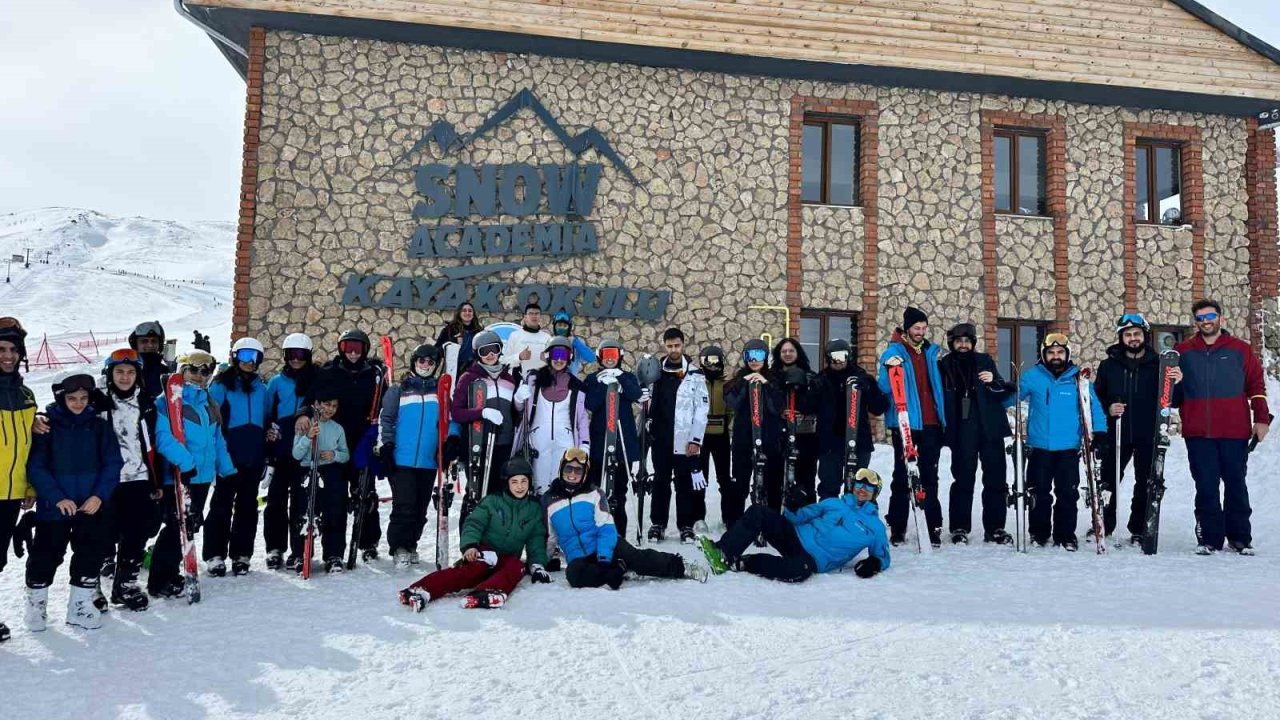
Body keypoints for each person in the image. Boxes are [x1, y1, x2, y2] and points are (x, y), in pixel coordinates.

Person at [24, 374, 123, 631]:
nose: (78, 403)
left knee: (90, 553)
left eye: (83, 398)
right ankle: (36, 607)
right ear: (61, 398)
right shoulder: (47, 427)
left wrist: (99, 496)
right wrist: (56, 497)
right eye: (72, 398)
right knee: (46, 554)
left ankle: (79, 606)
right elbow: (36, 467)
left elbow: (112, 463)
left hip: (90, 506)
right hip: (54, 508)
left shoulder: (99, 426)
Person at [1173, 299, 1268, 556]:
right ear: (1196, 323)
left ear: (1220, 318)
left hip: (1234, 430)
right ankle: (1210, 539)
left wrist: (1261, 419)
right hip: (1198, 432)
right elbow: (1171, 399)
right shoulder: (1182, 351)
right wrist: (1177, 383)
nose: (1206, 321)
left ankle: (1240, 538)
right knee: (1206, 485)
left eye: (1210, 316)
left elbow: (1256, 386)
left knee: (1236, 483)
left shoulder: (1240, 350)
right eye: (1201, 318)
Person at [544, 448, 708, 589]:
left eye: (578, 470)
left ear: (585, 472)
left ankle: (680, 566)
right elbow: (551, 537)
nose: (572, 474)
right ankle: (618, 571)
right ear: (561, 470)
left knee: (639, 559)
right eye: (568, 469)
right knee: (573, 574)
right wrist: (542, 561)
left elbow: (606, 529)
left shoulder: (594, 494)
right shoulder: (550, 500)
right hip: (580, 559)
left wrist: (603, 558)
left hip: (608, 545)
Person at [399, 457, 549, 610]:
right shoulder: (492, 502)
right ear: (507, 483)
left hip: (508, 557)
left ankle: (487, 592)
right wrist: (470, 545)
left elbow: (535, 538)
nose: (520, 486)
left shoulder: (533, 508)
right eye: (514, 482)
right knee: (473, 571)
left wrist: (537, 565)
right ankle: (422, 589)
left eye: (524, 481)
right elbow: (474, 523)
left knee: (517, 567)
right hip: (486, 552)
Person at [697, 468, 890, 582]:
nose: (862, 489)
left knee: (797, 572)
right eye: (859, 484)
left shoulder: (875, 527)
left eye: (868, 487)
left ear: (875, 492)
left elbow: (882, 556)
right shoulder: (834, 503)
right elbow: (798, 517)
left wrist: (874, 564)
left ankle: (745, 563)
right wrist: (793, 504)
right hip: (795, 537)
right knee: (759, 512)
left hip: (814, 560)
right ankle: (723, 552)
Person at [150, 351, 237, 598]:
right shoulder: (166, 401)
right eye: (194, 370)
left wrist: (227, 470)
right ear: (182, 370)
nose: (200, 376)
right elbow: (163, 437)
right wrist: (185, 463)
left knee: (191, 525)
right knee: (177, 526)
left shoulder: (207, 403)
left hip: (201, 478)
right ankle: (159, 580)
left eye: (205, 371)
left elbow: (216, 440)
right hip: (179, 476)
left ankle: (172, 570)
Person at [299, 329, 387, 561]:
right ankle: (334, 551)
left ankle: (368, 542)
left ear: (365, 350)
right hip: (335, 443)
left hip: (362, 442)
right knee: (334, 499)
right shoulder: (329, 372)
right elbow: (310, 399)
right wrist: (303, 414)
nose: (354, 353)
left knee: (366, 494)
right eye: (348, 347)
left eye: (358, 348)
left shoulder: (374, 374)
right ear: (340, 348)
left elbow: (385, 404)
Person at [1018, 334, 1107, 551]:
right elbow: (1012, 397)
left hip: (1068, 447)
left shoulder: (1079, 379)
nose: (1055, 356)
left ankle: (1065, 535)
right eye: (1051, 353)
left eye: (1060, 353)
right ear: (1044, 355)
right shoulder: (1032, 376)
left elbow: (1093, 407)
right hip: (1039, 446)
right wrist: (997, 389)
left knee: (1067, 492)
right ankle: (1039, 533)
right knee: (1039, 492)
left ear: (1067, 355)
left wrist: (1100, 432)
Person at [378, 343, 460, 568]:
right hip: (402, 458)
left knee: (421, 506)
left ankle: (411, 543)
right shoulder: (399, 389)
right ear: (414, 362)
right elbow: (387, 420)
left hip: (428, 460)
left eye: (430, 362)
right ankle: (399, 546)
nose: (425, 365)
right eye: (421, 361)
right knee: (404, 504)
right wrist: (386, 445)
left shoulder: (441, 392)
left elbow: (451, 420)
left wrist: (452, 439)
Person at [95, 348, 161, 611]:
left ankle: (126, 584)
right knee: (101, 532)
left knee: (136, 532)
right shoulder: (96, 401)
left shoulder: (146, 403)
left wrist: (158, 481)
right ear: (110, 374)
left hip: (138, 477)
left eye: (130, 372)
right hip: (106, 479)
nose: (125, 377)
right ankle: (91, 586)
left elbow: (154, 442)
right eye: (119, 371)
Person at [938, 323, 1015, 545]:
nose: (963, 345)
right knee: (963, 479)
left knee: (996, 479)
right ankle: (959, 527)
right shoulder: (944, 365)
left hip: (989, 427)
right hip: (962, 429)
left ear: (973, 343)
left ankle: (995, 528)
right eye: (959, 341)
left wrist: (994, 382)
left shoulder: (984, 361)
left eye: (967, 341)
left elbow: (1002, 388)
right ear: (952, 343)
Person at [877, 307, 946, 547]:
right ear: (907, 328)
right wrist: (889, 368)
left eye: (924, 328)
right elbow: (884, 387)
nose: (921, 332)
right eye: (917, 328)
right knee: (902, 475)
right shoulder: (893, 352)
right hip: (905, 422)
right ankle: (897, 527)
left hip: (930, 422)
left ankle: (932, 526)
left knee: (930, 476)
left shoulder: (930, 352)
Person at [1093, 314, 1164, 545]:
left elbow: (1172, 398)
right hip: (1117, 431)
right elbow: (1096, 397)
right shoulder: (1108, 365)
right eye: (1128, 334)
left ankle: (1139, 527)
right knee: (1109, 479)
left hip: (1147, 431)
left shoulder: (1158, 364)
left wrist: (1178, 381)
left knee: (1145, 481)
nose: (1133, 338)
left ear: (1145, 335)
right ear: (1121, 337)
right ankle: (1105, 522)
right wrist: (1108, 407)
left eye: (1137, 334)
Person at [204, 337, 271, 576]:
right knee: (221, 504)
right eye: (244, 356)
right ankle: (215, 554)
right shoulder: (221, 385)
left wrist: (265, 452)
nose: (249, 362)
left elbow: (265, 421)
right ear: (234, 357)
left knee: (247, 506)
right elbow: (211, 423)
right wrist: (215, 458)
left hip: (253, 455)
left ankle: (242, 555)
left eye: (254, 358)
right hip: (228, 456)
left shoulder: (261, 388)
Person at [645, 327, 709, 543]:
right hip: (661, 438)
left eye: (677, 345)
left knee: (684, 483)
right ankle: (658, 523)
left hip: (684, 440)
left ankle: (686, 525)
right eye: (669, 345)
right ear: (664, 345)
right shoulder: (656, 372)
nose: (673, 349)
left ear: (683, 345)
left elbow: (701, 410)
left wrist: (695, 439)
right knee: (660, 482)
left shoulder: (695, 374)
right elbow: (647, 401)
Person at [450, 330, 520, 525]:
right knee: (476, 492)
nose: (490, 355)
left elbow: (515, 414)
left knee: (499, 494)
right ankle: (469, 543)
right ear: (477, 354)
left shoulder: (509, 379)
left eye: (494, 349)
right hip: (478, 444)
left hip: (503, 445)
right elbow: (456, 412)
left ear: (500, 351)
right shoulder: (469, 378)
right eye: (484, 351)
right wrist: (481, 412)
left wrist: (520, 402)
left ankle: (493, 542)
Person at [264, 332, 318, 572]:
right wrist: (269, 436)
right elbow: (268, 413)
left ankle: (299, 550)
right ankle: (275, 548)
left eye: (301, 355)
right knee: (275, 500)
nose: (296, 359)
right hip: (282, 450)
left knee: (301, 501)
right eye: (291, 355)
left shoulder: (316, 379)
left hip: (305, 451)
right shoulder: (276, 382)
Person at [0, 317, 38, 642]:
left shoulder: (26, 397)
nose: (7, 356)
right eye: (1, 349)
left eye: (13, 349)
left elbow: (27, 446)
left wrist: (28, 486)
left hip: (12, 493)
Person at [514, 336, 590, 493]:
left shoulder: (576, 385)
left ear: (569, 358)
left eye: (564, 355)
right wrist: (518, 398)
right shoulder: (533, 379)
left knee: (561, 481)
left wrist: (584, 443)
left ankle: (557, 513)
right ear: (548, 355)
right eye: (556, 354)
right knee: (538, 483)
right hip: (538, 438)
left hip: (565, 438)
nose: (559, 359)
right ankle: (538, 514)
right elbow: (520, 409)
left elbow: (582, 417)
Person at [582, 337, 641, 536]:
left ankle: (620, 535)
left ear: (620, 357)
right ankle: (598, 532)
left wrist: (620, 380)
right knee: (598, 490)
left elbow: (635, 394)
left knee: (619, 493)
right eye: (606, 355)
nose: (609, 359)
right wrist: (602, 386)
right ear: (599, 357)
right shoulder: (592, 379)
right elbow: (590, 404)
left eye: (613, 355)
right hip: (600, 442)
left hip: (622, 441)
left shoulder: (627, 376)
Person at [815, 339, 887, 501]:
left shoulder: (862, 378)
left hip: (858, 440)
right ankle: (830, 521)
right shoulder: (822, 380)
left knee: (857, 486)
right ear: (827, 358)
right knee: (829, 486)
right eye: (834, 357)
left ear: (849, 356)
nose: (839, 361)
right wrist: (811, 389)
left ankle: (855, 521)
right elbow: (807, 407)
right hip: (830, 442)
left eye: (842, 356)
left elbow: (880, 407)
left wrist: (868, 390)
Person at [292, 386, 351, 574]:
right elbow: (296, 454)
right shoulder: (305, 424)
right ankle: (301, 553)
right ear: (316, 405)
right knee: (304, 511)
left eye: (334, 406)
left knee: (334, 510)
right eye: (326, 405)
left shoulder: (337, 428)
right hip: (308, 470)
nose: (330, 409)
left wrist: (333, 455)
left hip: (330, 471)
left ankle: (333, 554)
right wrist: (308, 438)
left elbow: (345, 454)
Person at [724, 338, 782, 524]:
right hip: (744, 440)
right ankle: (736, 523)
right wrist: (744, 384)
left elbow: (777, 408)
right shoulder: (738, 379)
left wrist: (765, 384)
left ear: (766, 357)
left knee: (771, 483)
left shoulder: (774, 380)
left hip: (769, 440)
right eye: (750, 356)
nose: (754, 360)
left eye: (759, 355)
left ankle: (771, 523)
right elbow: (732, 404)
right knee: (740, 484)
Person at [769, 338, 822, 510]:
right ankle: (775, 518)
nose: (787, 354)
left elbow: (816, 401)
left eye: (791, 350)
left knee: (805, 479)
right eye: (784, 351)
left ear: (798, 353)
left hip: (804, 435)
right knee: (775, 480)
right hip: (778, 435)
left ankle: (806, 518)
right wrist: (779, 411)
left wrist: (803, 409)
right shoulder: (771, 377)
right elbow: (768, 402)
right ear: (779, 354)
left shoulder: (810, 376)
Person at [696, 345, 732, 529]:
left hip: (721, 435)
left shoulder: (725, 384)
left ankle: (727, 517)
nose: (711, 366)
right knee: (700, 478)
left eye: (715, 362)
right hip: (700, 436)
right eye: (707, 362)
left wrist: (729, 426)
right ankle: (699, 518)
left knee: (725, 478)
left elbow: (732, 410)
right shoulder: (696, 382)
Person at [128, 320, 174, 403]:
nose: (150, 345)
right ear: (136, 344)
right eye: (144, 341)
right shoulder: (127, 370)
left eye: (154, 341)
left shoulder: (166, 371)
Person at [502, 302, 552, 377]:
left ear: (540, 317)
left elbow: (553, 363)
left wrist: (547, 360)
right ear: (525, 317)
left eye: (537, 313)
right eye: (531, 313)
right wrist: (519, 356)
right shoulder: (515, 335)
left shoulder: (547, 338)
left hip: (541, 382)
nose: (534, 316)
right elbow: (504, 361)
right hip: (519, 381)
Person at [435, 301, 482, 374]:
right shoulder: (449, 329)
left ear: (473, 314)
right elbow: (437, 350)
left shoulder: (479, 331)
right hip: (453, 370)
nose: (467, 313)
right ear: (459, 313)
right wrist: (452, 342)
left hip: (474, 370)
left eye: (470, 311)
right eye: (464, 310)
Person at [549, 310, 597, 376]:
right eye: (559, 325)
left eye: (565, 325)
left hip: (570, 383)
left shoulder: (575, 343)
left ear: (569, 327)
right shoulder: (548, 342)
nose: (562, 328)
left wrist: (576, 342)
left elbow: (591, 358)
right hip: (551, 382)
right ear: (554, 326)